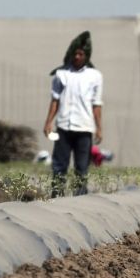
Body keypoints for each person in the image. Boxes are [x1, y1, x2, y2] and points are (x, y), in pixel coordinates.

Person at [43, 31, 103, 197]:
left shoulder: (95, 76)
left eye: (81, 54)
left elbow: (96, 104)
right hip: (63, 126)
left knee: (82, 167)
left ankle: (81, 197)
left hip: (84, 127)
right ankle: (56, 195)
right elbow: (55, 100)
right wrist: (48, 122)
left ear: (86, 55)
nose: (77, 57)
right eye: (75, 53)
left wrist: (99, 128)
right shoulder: (61, 74)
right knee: (59, 165)